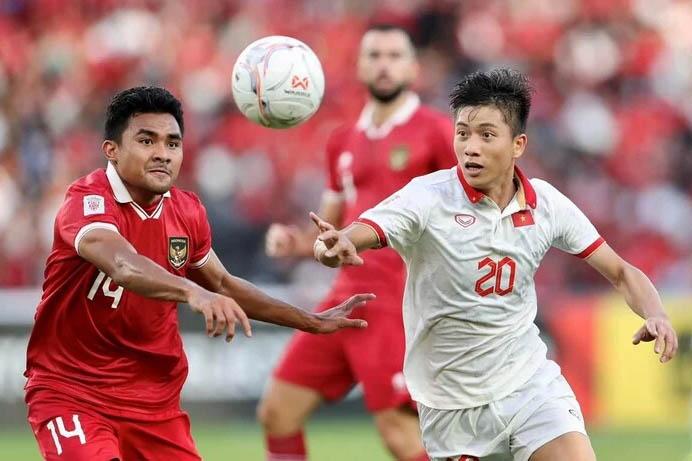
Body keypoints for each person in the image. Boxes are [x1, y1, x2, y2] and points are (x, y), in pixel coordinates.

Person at [310, 68, 679, 461]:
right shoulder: (428, 198)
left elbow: (621, 272)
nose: (471, 147)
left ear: (518, 144)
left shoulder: (547, 204)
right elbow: (358, 232)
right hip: (451, 407)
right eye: (462, 133)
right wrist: (335, 245)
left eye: (486, 135)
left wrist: (656, 313)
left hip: (529, 388)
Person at [23, 86, 374, 461]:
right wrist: (192, 291)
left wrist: (310, 321)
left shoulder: (186, 211)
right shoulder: (87, 201)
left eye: (173, 143)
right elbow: (122, 264)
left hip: (154, 404)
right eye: (146, 141)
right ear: (112, 150)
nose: (162, 153)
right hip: (73, 391)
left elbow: (222, 283)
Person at [257, 24, 454, 461]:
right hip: (344, 301)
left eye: (394, 56)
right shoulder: (342, 140)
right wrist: (296, 243)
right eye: (374, 55)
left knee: (401, 435)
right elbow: (329, 230)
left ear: (414, 68)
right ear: (360, 66)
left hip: (397, 302)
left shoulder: (437, 132)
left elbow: (469, 210)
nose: (384, 65)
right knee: (278, 412)